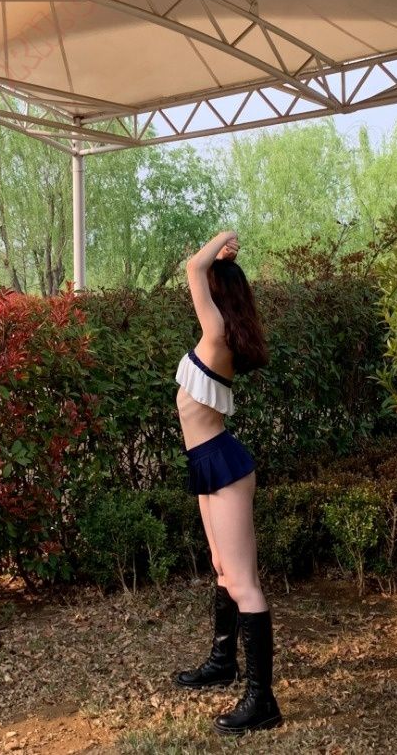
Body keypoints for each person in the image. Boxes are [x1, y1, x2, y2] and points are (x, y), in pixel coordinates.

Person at [172, 229, 283, 735]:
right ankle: (222, 663)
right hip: (206, 463)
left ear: (218, 295)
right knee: (222, 569)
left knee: (243, 583)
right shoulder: (219, 335)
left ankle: (263, 701)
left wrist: (221, 243)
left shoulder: (215, 334)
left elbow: (192, 267)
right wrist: (221, 258)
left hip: (223, 464)